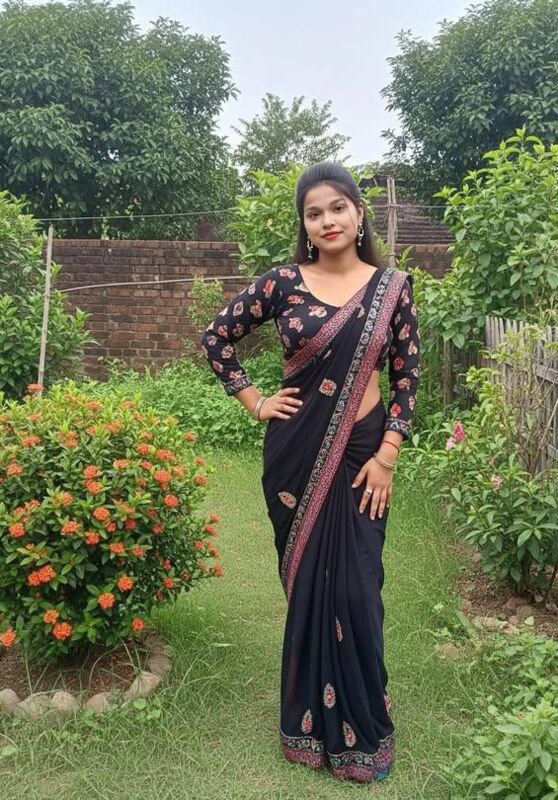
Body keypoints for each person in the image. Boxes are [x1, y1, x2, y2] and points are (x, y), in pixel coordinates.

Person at [200, 161, 420, 782]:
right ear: (304, 224)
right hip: (296, 451)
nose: (327, 220)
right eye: (313, 212)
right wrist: (255, 401)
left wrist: (387, 455)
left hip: (363, 454)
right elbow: (217, 338)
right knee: (308, 587)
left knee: (357, 589)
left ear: (359, 213)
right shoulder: (283, 283)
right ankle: (307, 726)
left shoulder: (392, 288)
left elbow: (407, 377)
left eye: (337, 207)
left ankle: (363, 726)